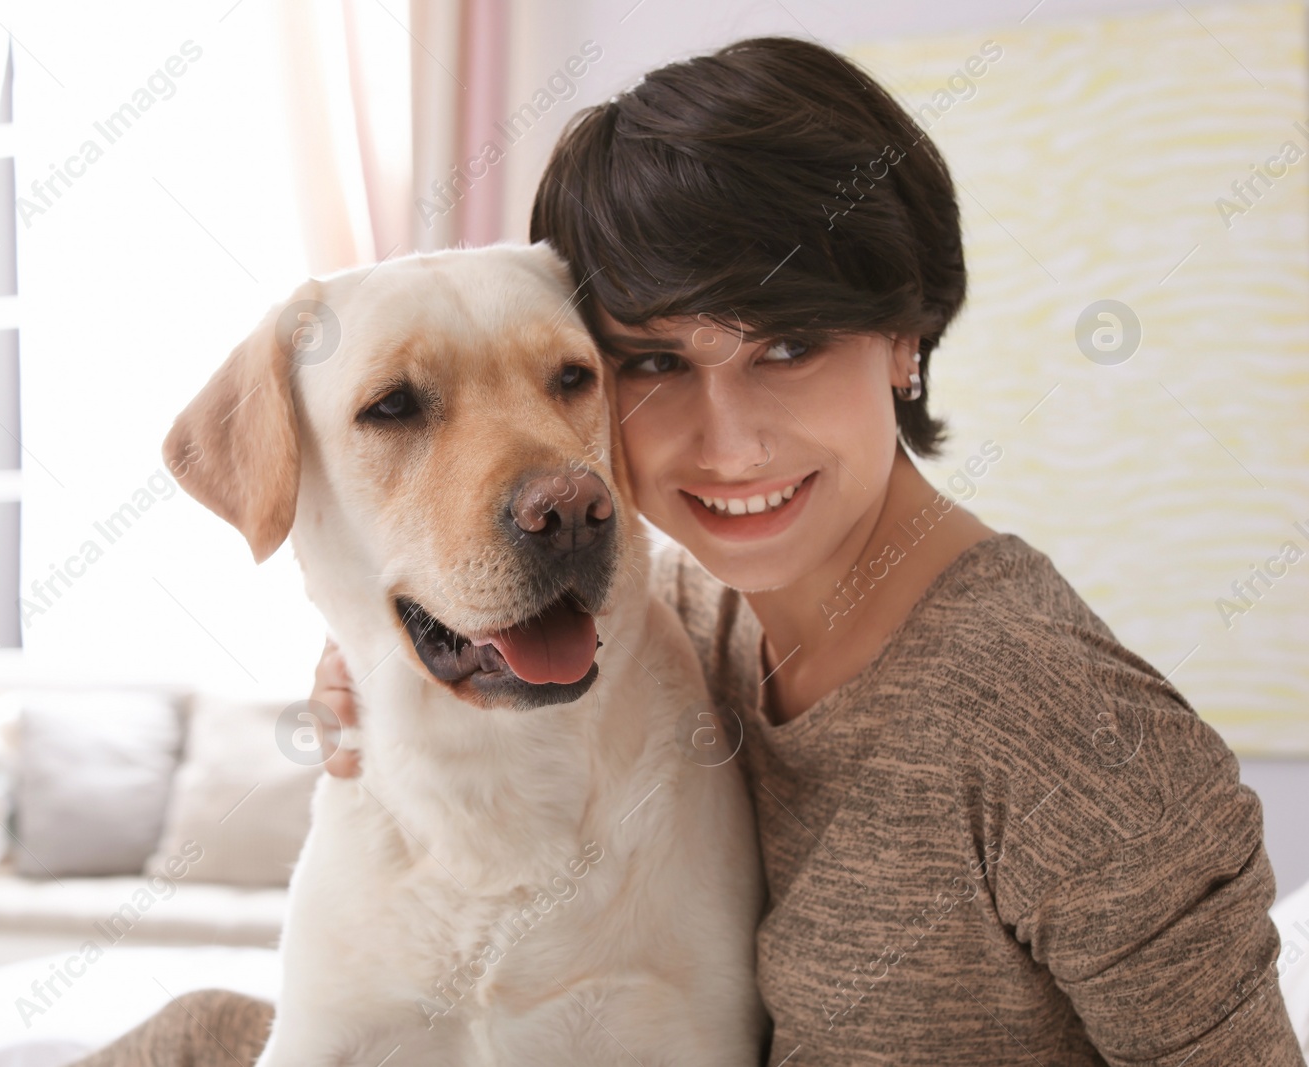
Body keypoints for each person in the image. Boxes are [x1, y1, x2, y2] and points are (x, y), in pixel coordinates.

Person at [74, 36, 1304, 1067]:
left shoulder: (1068, 734)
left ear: (903, 335)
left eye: (787, 345)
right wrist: (378, 672)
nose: (727, 440)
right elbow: (452, 598)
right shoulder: (695, 615)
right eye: (652, 363)